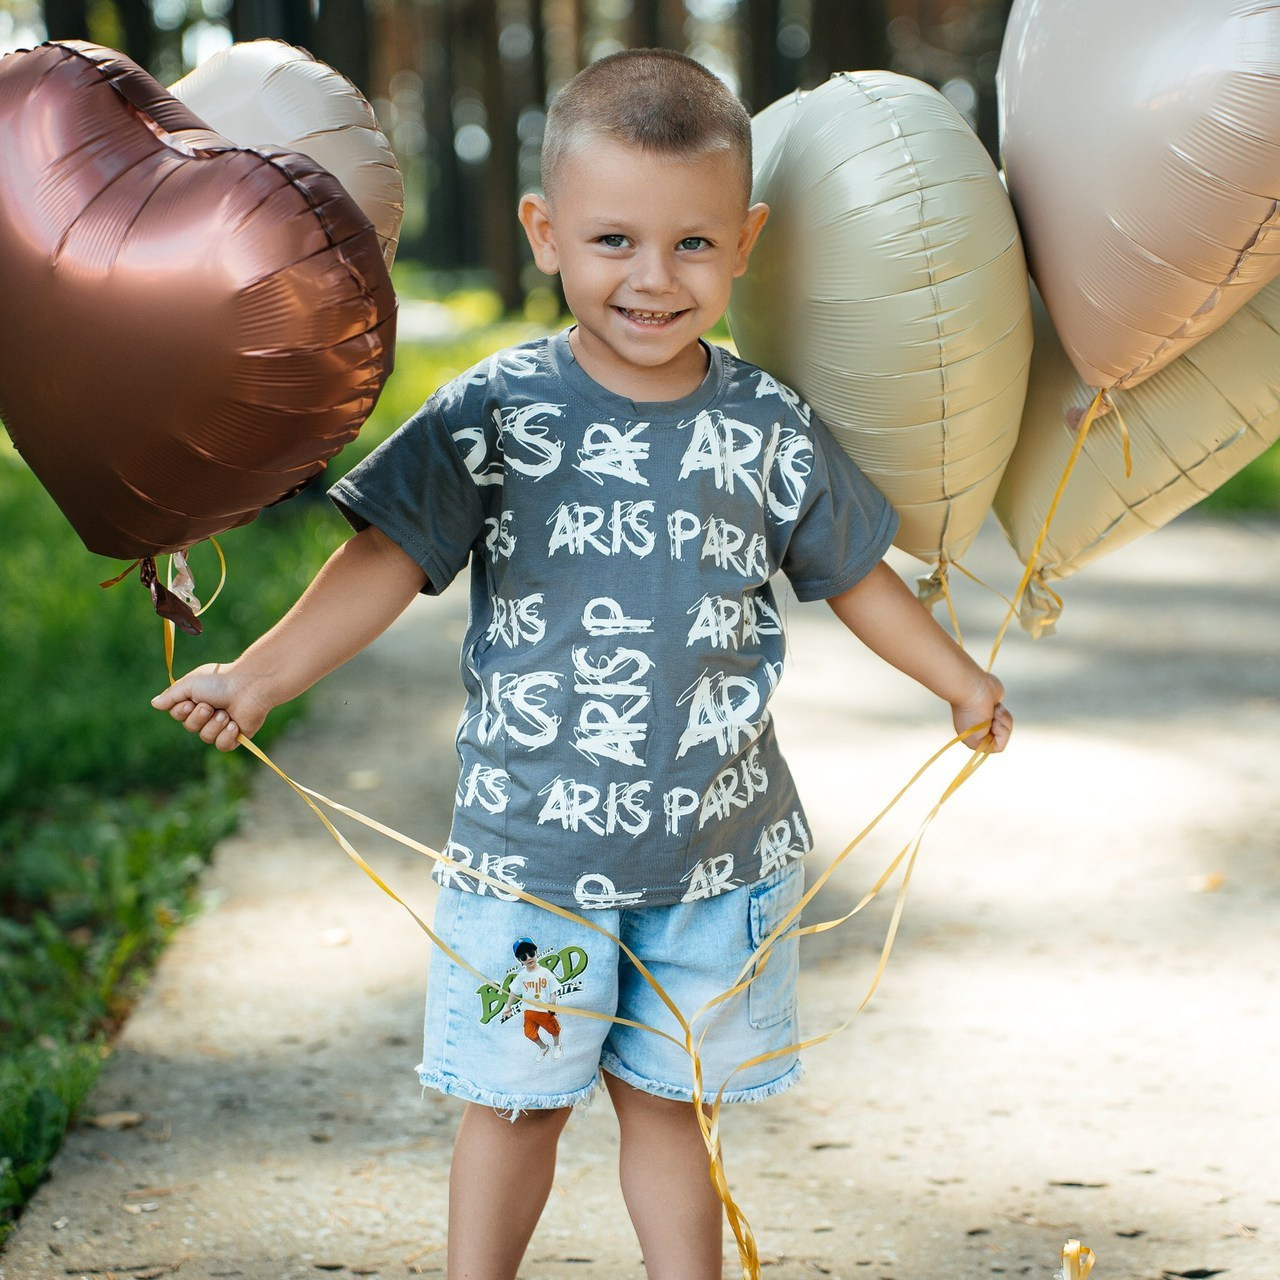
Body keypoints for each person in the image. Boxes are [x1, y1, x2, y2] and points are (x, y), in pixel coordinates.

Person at [153, 47, 1012, 1280]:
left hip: (709, 858)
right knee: (515, 1105)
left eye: (692, 245)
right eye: (613, 241)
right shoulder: (495, 411)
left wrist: (953, 679)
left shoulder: (766, 426)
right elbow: (387, 555)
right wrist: (261, 673)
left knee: (668, 1108)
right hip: (532, 861)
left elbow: (855, 574)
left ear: (745, 238)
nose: (652, 280)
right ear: (544, 232)